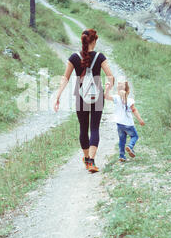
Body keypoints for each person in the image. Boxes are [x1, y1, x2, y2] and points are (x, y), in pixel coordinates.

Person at [54, 29, 114, 173]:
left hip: (81, 96)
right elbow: (110, 77)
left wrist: (58, 96)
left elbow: (65, 78)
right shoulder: (100, 57)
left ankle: (86, 159)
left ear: (83, 41)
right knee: (94, 128)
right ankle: (92, 161)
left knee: (83, 128)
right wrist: (106, 91)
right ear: (94, 41)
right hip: (97, 96)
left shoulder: (74, 57)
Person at [104, 81, 145, 162]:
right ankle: (130, 146)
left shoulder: (116, 98)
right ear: (128, 91)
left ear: (118, 91)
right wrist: (140, 120)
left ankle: (122, 156)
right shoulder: (130, 100)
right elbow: (134, 110)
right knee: (134, 136)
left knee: (122, 140)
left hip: (119, 124)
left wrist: (107, 89)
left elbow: (106, 97)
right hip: (129, 124)